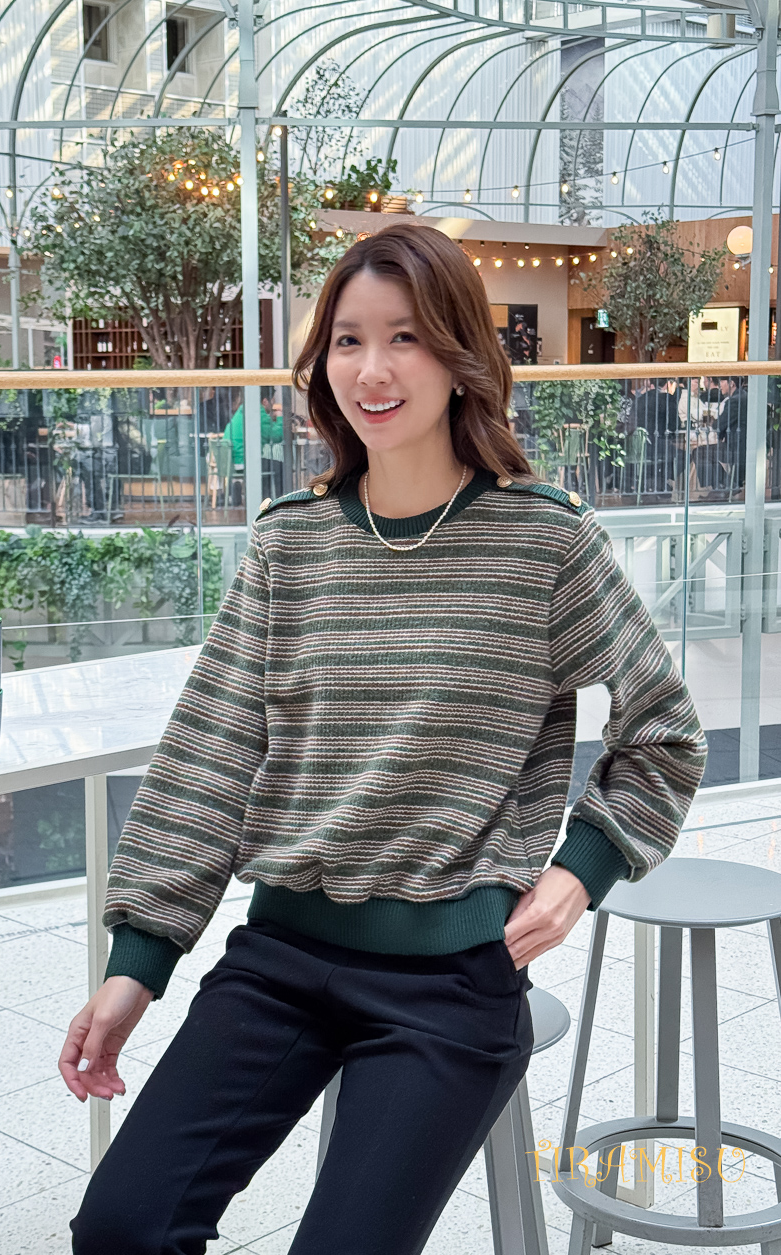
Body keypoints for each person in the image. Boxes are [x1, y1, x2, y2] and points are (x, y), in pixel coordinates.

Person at [63, 222, 708, 1255]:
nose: (372, 370)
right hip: (281, 957)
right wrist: (138, 961)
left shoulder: (544, 539)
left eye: (405, 337)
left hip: (451, 981)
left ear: (459, 356)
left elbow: (664, 731)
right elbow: (209, 755)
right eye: (348, 339)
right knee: (120, 1227)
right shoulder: (290, 540)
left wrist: (580, 871)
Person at [716, 376, 748, 495]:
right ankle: (726, 485)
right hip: (739, 445)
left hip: (735, 446)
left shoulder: (734, 401)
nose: (720, 385)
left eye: (722, 381)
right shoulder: (744, 396)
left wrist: (713, 423)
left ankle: (728, 484)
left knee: (700, 453)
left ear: (731, 383)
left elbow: (720, 424)